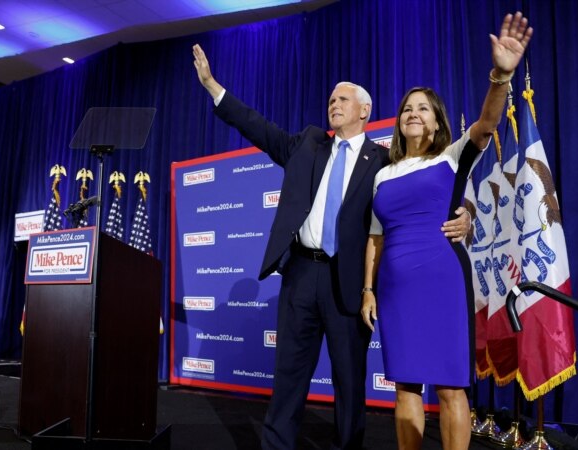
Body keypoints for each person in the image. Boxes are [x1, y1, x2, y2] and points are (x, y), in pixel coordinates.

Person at [192, 45, 470, 449]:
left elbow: (428, 188)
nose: (333, 105)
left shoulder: (384, 162)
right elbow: (257, 126)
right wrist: (214, 87)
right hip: (301, 274)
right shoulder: (307, 144)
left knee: (350, 381)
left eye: (342, 99)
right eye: (330, 100)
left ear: (364, 110)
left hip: (349, 279)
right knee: (288, 376)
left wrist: (466, 212)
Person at [359, 12, 532, 450]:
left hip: (442, 280)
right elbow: (374, 238)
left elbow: (488, 124)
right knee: (405, 386)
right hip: (395, 287)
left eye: (422, 108)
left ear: (436, 122)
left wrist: (501, 75)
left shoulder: (452, 157)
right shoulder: (383, 173)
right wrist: (368, 289)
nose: (412, 114)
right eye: (406, 109)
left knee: (452, 387)